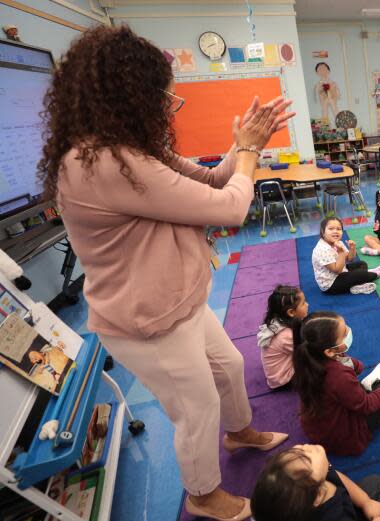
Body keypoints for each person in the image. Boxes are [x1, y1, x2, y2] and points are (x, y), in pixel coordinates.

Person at [42, 26, 296, 521]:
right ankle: (203, 495)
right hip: (147, 319)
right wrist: (247, 151)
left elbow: (212, 180)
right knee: (195, 406)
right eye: (158, 92)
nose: (164, 104)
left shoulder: (130, 148)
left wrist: (243, 147)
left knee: (227, 367)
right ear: (128, 93)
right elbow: (229, 207)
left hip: (180, 301)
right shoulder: (102, 162)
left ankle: (239, 431)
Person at [293, 312, 380, 456]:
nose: (348, 331)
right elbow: (367, 405)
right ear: (329, 351)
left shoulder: (312, 359)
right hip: (343, 434)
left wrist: (353, 365)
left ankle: (371, 383)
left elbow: (355, 366)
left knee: (368, 389)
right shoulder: (337, 376)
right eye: (344, 333)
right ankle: (374, 383)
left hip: (322, 422)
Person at [251, 444, 380, 521]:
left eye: (294, 451)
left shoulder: (307, 486)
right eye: (304, 457)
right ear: (318, 496)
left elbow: (336, 477)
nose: (303, 447)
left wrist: (366, 502)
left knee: (376, 485)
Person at [312, 217, 380, 295]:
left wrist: (352, 248)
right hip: (331, 284)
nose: (335, 231)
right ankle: (374, 274)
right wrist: (341, 252)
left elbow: (350, 259)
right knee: (361, 275)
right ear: (323, 231)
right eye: (331, 229)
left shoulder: (338, 242)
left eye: (338, 229)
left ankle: (356, 284)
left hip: (342, 272)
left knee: (362, 264)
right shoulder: (322, 249)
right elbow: (336, 270)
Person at [256, 286, 308, 390]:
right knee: (320, 367)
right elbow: (308, 352)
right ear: (291, 312)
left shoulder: (279, 321)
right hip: (283, 380)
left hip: (281, 370)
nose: (307, 305)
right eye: (303, 303)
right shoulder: (286, 336)